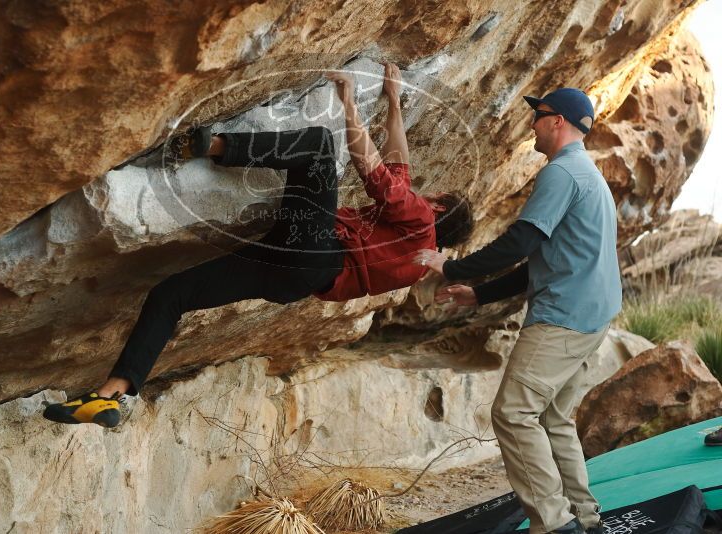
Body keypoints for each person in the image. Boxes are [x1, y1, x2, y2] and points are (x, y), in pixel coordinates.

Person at [43, 63, 473, 428]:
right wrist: (394, 101)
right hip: (293, 278)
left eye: (434, 198)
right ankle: (110, 396)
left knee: (320, 147)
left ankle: (211, 145)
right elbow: (399, 165)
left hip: (315, 251)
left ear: (437, 209)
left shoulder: (418, 219)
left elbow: (377, 172)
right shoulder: (416, 250)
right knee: (171, 294)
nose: (423, 193)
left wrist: (349, 103)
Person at [414, 88, 622, 534]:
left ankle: (554, 523)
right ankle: (586, 519)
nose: (532, 124)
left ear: (558, 122)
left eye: (539, 115)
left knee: (512, 413)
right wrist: (480, 293)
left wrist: (449, 266)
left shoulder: (562, 174)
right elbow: (549, 257)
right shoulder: (588, 174)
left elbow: (520, 242)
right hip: (593, 317)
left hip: (564, 318)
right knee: (552, 416)